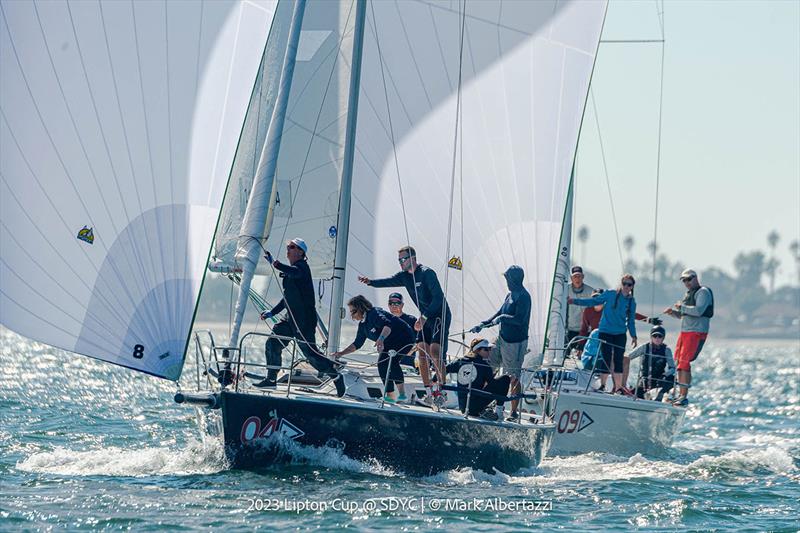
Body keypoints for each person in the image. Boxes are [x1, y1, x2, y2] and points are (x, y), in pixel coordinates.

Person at [358, 245, 451, 406]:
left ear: (413, 258)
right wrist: (370, 282)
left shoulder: (427, 273)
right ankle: (429, 392)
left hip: (439, 316)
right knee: (422, 352)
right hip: (425, 318)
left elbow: (438, 298)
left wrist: (424, 316)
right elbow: (388, 281)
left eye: (403, 259)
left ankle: (442, 390)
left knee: (434, 351)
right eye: (399, 260)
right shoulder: (404, 276)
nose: (400, 262)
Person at [256, 238, 345, 397]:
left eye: (292, 247)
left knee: (310, 354)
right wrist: (272, 313)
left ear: (301, 252)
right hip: (290, 319)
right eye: (288, 247)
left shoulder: (302, 268)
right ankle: (271, 379)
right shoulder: (291, 271)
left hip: (304, 320)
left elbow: (295, 272)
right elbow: (287, 298)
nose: (288, 249)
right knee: (273, 343)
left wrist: (275, 263)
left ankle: (335, 375)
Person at [471, 265, 531, 421]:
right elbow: (500, 312)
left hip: (515, 343)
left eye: (507, 278)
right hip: (502, 338)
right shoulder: (509, 295)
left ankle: (513, 411)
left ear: (514, 279)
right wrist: (485, 323)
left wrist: (502, 318)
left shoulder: (524, 297)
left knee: (513, 376)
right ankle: (485, 403)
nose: (506, 282)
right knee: (488, 367)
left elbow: (520, 320)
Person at [331, 295, 414, 403]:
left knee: (392, 362)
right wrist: (341, 353)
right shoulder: (363, 325)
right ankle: (390, 396)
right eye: (351, 312)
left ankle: (402, 395)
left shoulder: (374, 313)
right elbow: (357, 344)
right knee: (382, 364)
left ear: (361, 308)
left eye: (353, 311)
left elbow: (387, 325)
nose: (352, 315)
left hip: (404, 337)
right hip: (389, 341)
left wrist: (381, 339)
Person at [569, 274, 638, 393]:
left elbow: (631, 320)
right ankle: (603, 385)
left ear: (632, 287)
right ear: (621, 284)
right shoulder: (610, 294)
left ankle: (618, 387)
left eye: (629, 284)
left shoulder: (632, 301)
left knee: (618, 360)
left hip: (620, 333)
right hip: (605, 331)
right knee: (605, 358)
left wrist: (634, 335)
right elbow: (594, 301)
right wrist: (574, 301)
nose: (626, 286)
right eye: (624, 284)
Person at [663, 269, 714, 407]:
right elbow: (683, 315)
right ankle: (679, 394)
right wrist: (673, 312)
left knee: (684, 363)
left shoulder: (703, 292)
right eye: (684, 280)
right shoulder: (688, 294)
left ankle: (683, 396)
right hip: (685, 332)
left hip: (696, 332)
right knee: (678, 363)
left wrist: (682, 307)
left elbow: (698, 311)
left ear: (695, 278)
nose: (686, 282)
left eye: (689, 279)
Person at [576, 290, 662, 354]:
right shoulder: (587, 310)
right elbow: (584, 329)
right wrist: (580, 346)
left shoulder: (610, 308)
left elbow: (630, 314)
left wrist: (648, 320)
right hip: (596, 338)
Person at [445, 338, 511, 420]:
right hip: (475, 407)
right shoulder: (484, 365)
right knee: (505, 379)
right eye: (486, 349)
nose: (489, 352)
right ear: (477, 350)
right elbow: (493, 385)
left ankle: (485, 410)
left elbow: (444, 369)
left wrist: (436, 383)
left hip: (463, 408)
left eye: (490, 349)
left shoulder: (460, 361)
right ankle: (499, 412)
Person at [624, 325, 676, 401]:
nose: (657, 338)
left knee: (671, 379)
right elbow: (629, 357)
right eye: (655, 336)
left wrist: (665, 374)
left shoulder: (666, 350)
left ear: (663, 338)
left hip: (659, 380)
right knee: (636, 395)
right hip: (645, 381)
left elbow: (672, 368)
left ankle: (659, 396)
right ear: (651, 337)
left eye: (660, 336)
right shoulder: (645, 347)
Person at [566, 266, 593, 352]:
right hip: (569, 330)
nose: (577, 279)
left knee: (584, 356)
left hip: (585, 331)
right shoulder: (565, 290)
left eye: (579, 276)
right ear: (571, 278)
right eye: (575, 276)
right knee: (563, 354)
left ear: (583, 277)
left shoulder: (591, 291)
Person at [387, 292, 417, 367]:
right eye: (391, 303)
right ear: (388, 305)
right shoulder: (384, 320)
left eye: (397, 303)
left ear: (402, 305)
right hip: (389, 363)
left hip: (407, 365)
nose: (393, 305)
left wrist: (410, 351)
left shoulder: (412, 320)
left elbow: (420, 341)